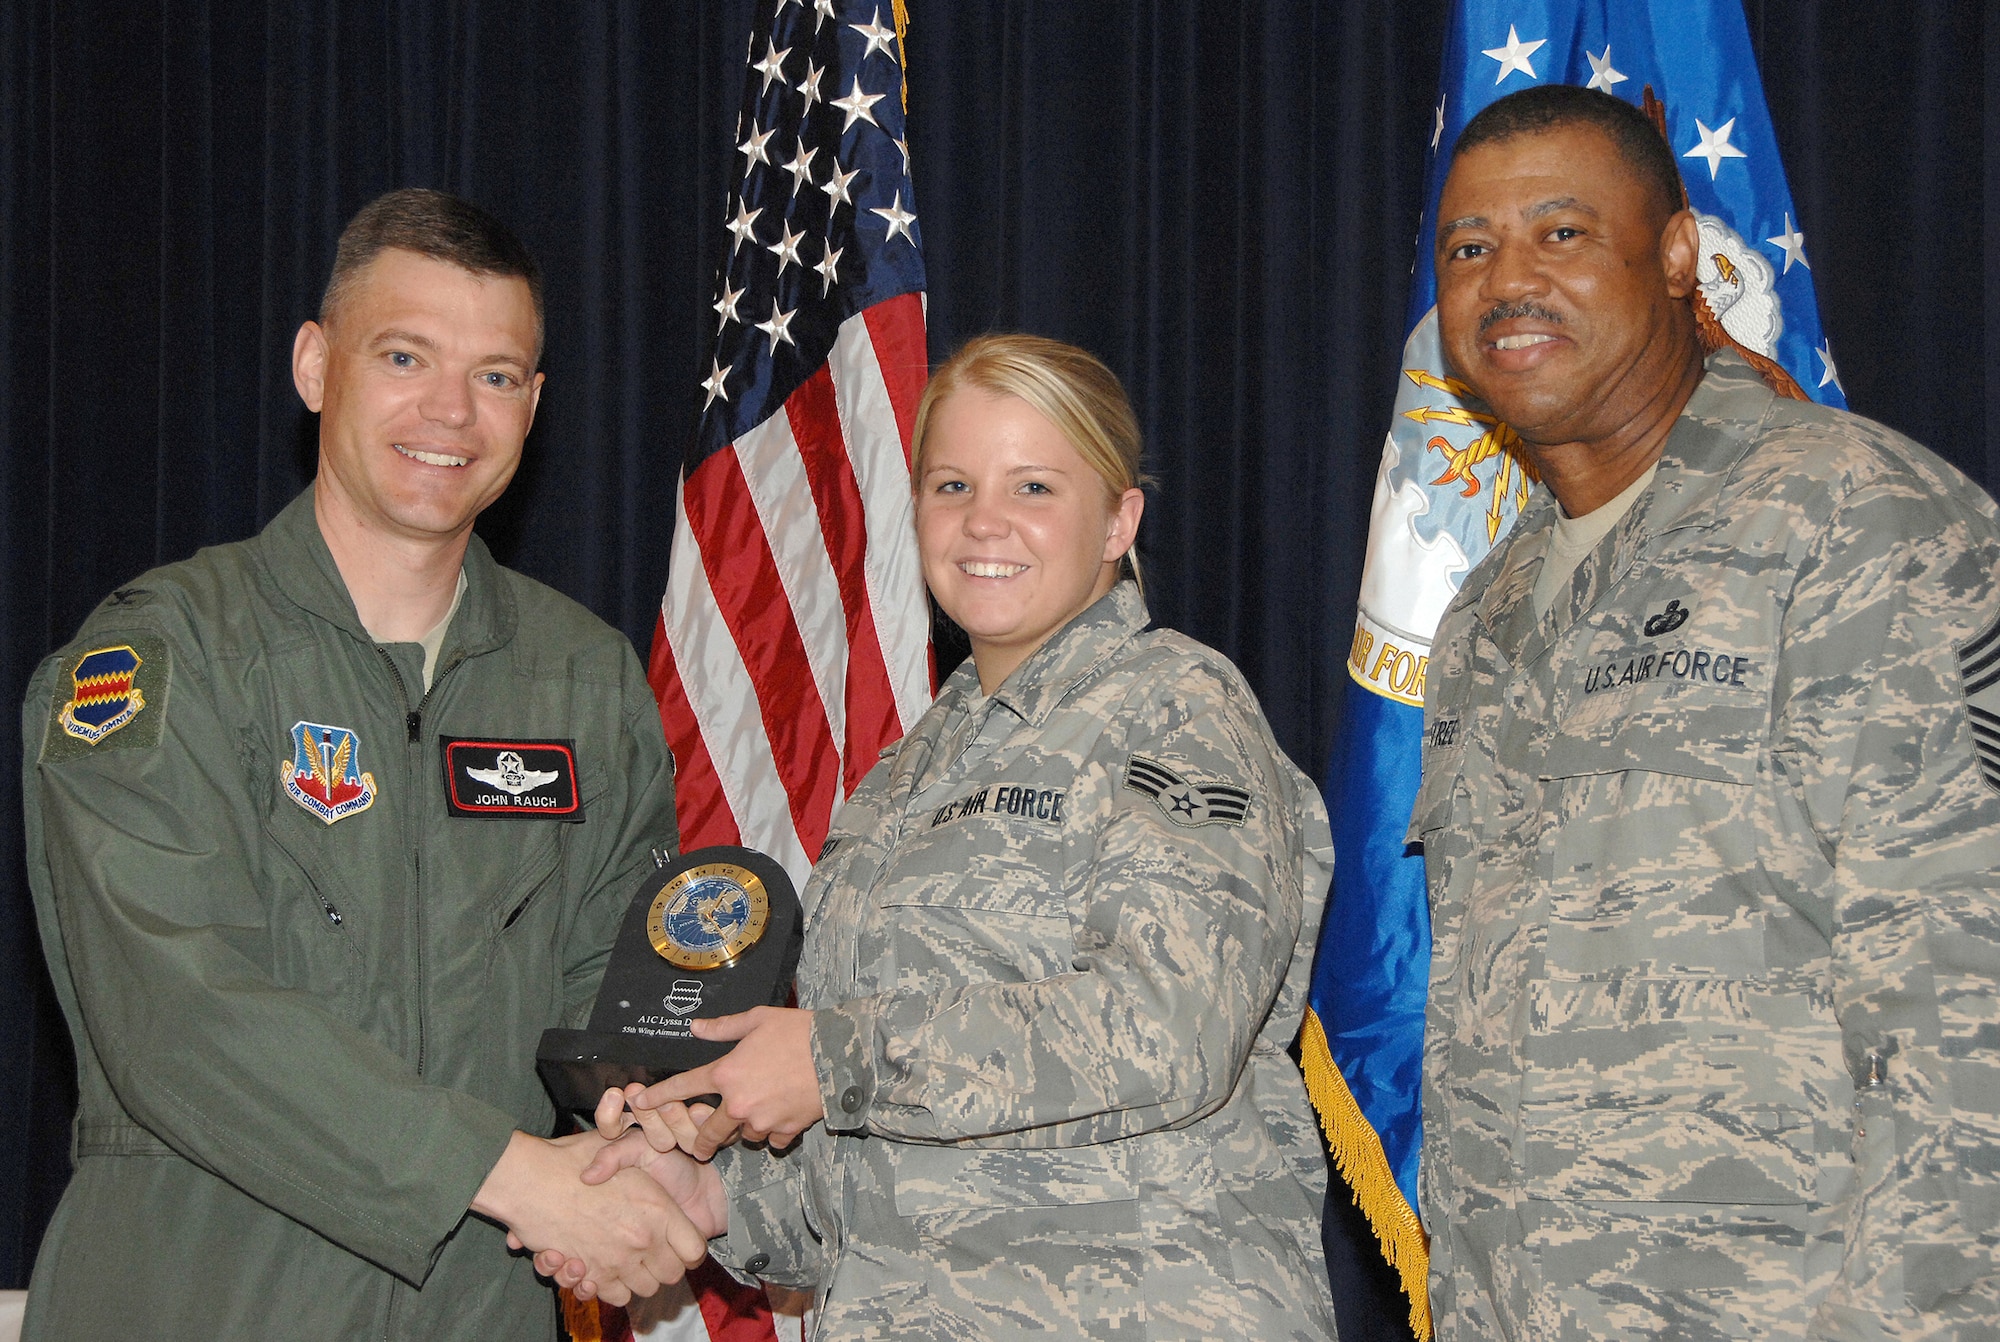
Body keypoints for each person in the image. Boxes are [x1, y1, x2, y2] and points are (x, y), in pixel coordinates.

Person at [548, 334, 1341, 1338]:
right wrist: (715, 1197)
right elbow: (892, 1155)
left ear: (1118, 521)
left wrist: (835, 1058)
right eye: (952, 484)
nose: (983, 521)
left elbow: (1170, 1027)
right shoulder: (908, 772)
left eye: (1034, 487)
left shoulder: (1176, 707)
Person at [20, 188, 704, 1340]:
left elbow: (611, 994)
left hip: (480, 1309)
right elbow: (179, 1017)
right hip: (200, 1298)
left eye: (495, 375)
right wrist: (513, 1176)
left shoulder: (584, 680)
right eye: (404, 356)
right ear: (314, 365)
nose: (451, 410)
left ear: (533, 405)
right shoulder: (164, 656)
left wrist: (648, 1128)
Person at [1413, 84, 2000, 1338]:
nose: (1508, 281)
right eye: (1468, 249)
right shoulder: (1485, 614)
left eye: (1560, 233)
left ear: (1677, 255)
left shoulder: (1857, 522)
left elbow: (1964, 1013)